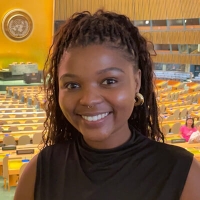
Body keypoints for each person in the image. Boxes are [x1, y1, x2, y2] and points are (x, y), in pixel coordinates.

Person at [14, 10, 200, 200]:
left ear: (136, 82)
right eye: (72, 85)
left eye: (109, 81)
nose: (88, 99)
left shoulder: (184, 174)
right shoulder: (39, 172)